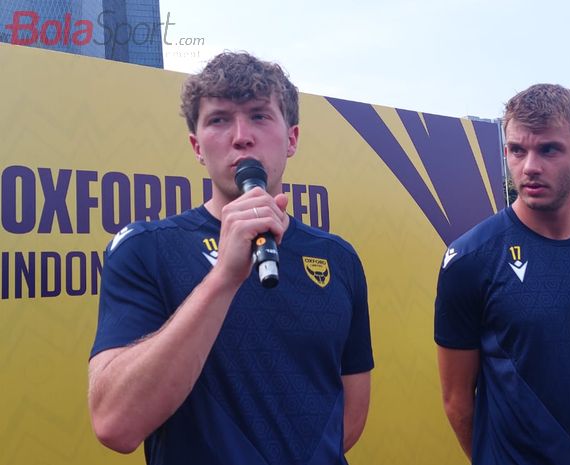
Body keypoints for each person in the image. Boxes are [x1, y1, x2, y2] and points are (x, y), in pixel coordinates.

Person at [87, 52, 374, 465]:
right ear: (197, 147)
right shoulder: (146, 249)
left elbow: (350, 416)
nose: (241, 136)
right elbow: (115, 423)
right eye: (219, 120)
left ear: (292, 139)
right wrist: (223, 276)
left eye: (259, 116)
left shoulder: (338, 258)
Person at [434, 84, 570, 464]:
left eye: (548, 149)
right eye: (517, 150)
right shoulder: (469, 259)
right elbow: (457, 401)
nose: (529, 166)